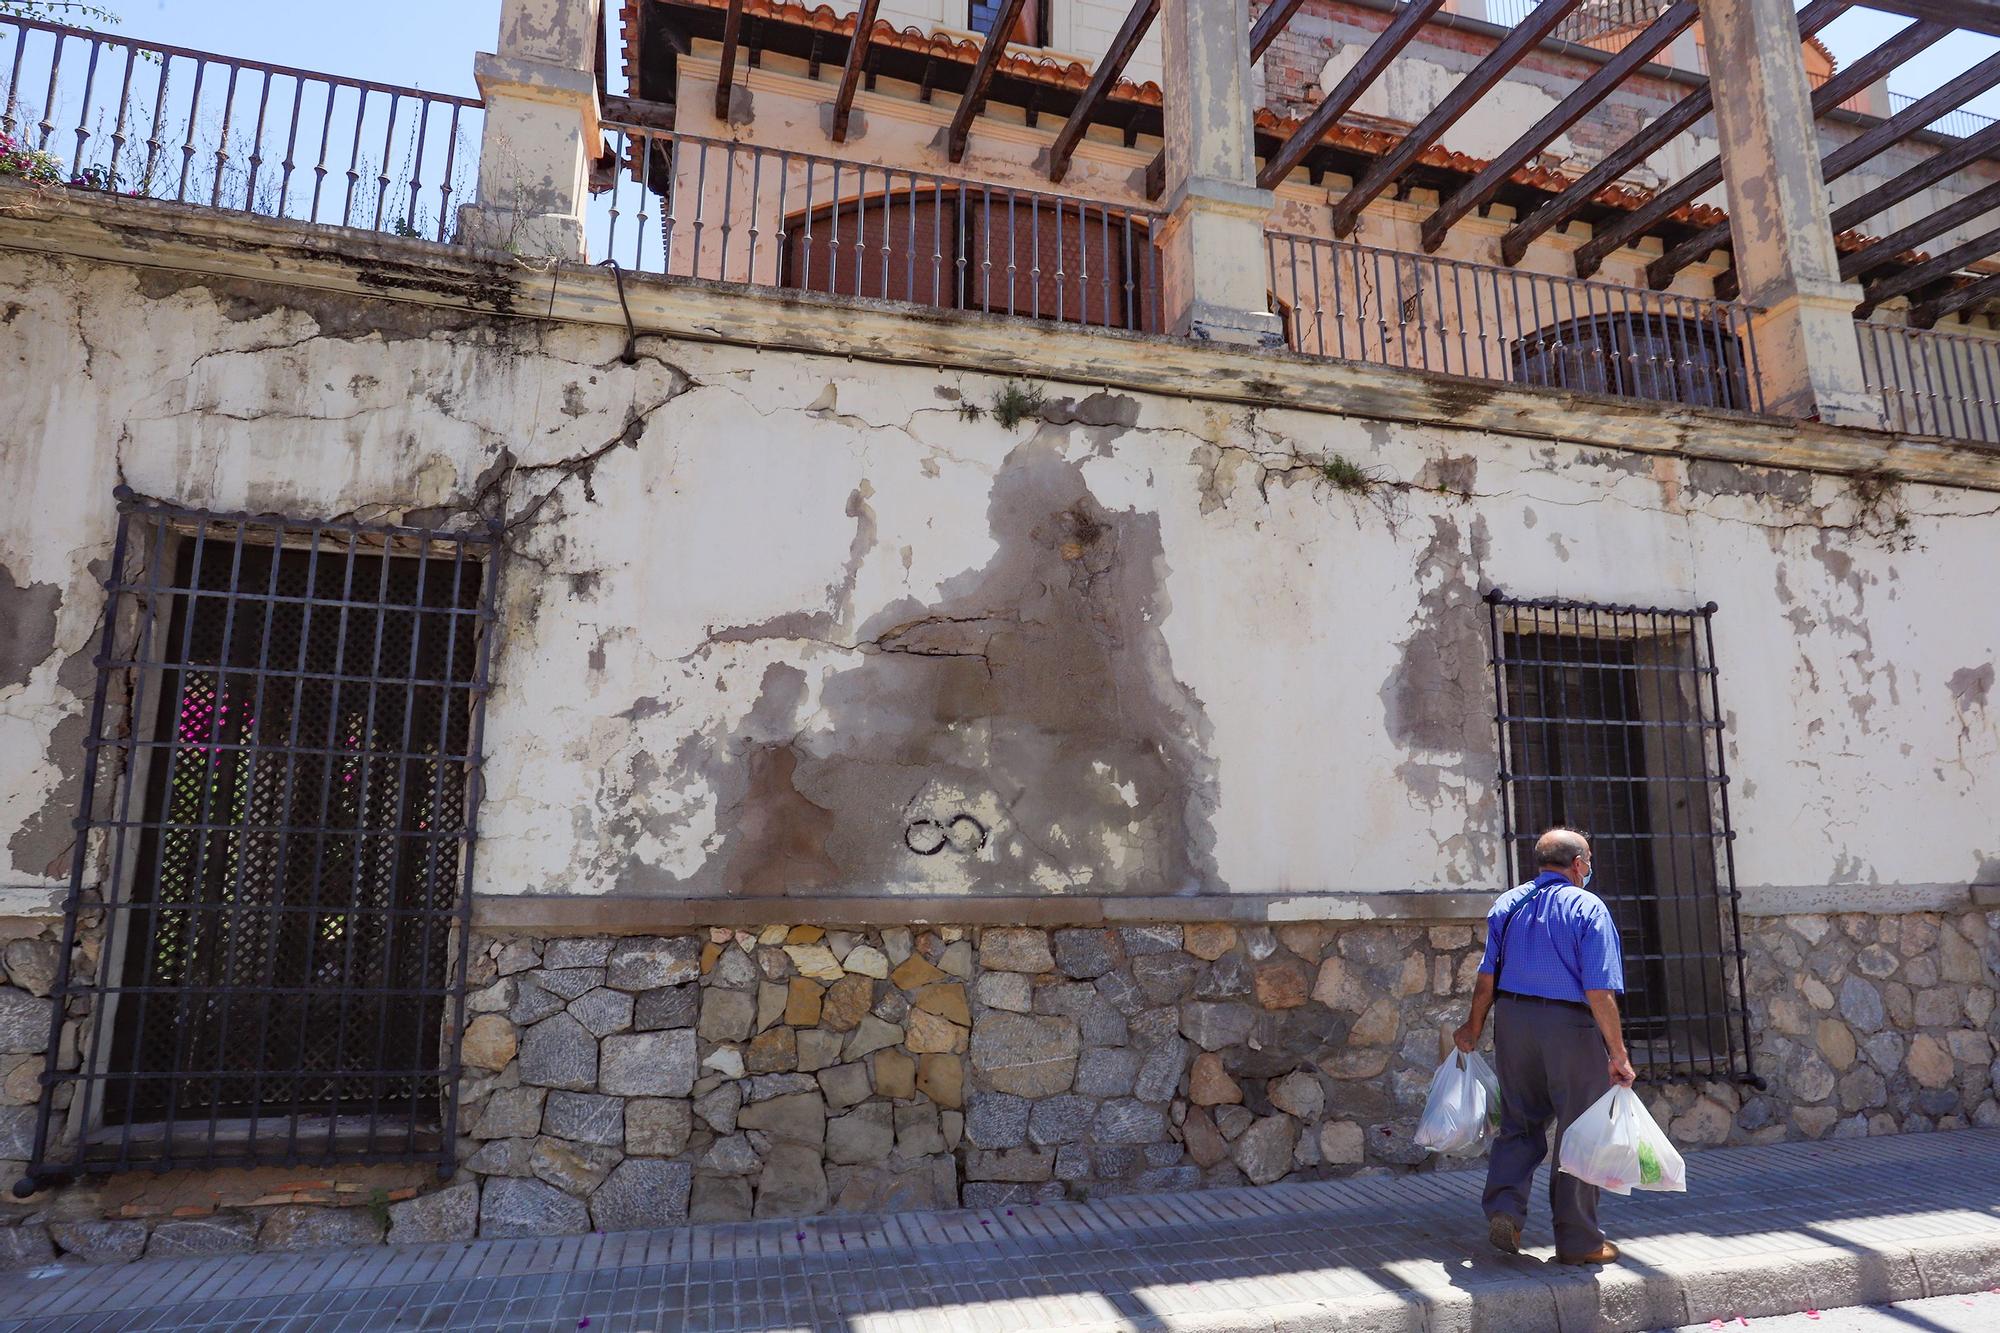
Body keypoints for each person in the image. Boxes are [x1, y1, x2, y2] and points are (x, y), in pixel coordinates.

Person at [1453, 826, 1637, 1266]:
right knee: (1580, 1131)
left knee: (1519, 1122)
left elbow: (1486, 978)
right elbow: (1599, 991)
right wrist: (1618, 1053)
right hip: (1570, 1027)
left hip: (1514, 1022)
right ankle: (1579, 1242)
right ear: (1578, 864)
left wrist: (1473, 1027)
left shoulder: (1508, 904)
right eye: (1588, 860)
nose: (1588, 868)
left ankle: (1505, 1210)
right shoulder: (1587, 907)